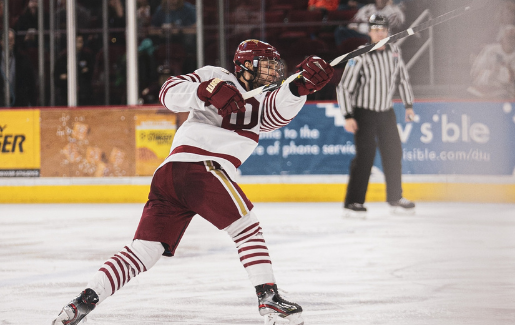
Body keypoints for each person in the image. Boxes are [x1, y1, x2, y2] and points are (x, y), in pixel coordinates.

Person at [51, 39, 334, 325]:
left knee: (145, 251)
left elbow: (280, 110)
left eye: (276, 68)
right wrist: (205, 90)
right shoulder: (217, 75)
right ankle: (270, 300)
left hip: (170, 176)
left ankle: (81, 303)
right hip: (204, 168)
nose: (272, 74)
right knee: (247, 229)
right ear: (245, 67)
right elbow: (168, 93)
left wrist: (301, 87)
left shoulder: (265, 99)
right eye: (266, 67)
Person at [336, 15, 415, 215]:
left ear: (387, 31)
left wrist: (408, 105)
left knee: (394, 153)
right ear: (370, 32)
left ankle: (395, 198)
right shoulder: (360, 54)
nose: (380, 33)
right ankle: (353, 202)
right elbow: (344, 88)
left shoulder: (395, 52)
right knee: (365, 156)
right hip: (364, 113)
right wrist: (347, 115)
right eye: (376, 29)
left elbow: (403, 79)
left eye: (383, 29)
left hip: (386, 112)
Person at [468, 24, 515, 98]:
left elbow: (511, 79)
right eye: (508, 37)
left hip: (506, 95)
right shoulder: (490, 50)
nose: (511, 40)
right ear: (502, 38)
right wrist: (491, 72)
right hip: (483, 90)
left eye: (513, 38)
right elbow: (475, 72)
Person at [334, 0, 405, 46]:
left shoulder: (394, 11)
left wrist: (372, 20)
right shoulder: (367, 8)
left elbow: (395, 25)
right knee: (340, 31)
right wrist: (354, 27)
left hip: (378, 38)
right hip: (360, 34)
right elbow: (353, 22)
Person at [54, 34, 95, 106]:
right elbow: (57, 77)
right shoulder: (63, 57)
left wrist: (68, 75)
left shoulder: (87, 55)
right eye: (77, 42)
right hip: (65, 93)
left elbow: (90, 72)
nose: (80, 44)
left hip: (84, 94)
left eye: (81, 42)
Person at [0, 28, 37, 107]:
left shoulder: (23, 60)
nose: (9, 42)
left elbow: (31, 83)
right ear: (1, 42)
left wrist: (32, 103)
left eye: (11, 39)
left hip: (19, 105)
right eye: (6, 39)